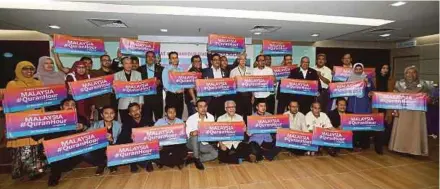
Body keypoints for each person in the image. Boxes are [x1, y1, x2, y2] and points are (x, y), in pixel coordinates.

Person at [6, 61, 46, 180]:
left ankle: (36, 170)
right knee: (23, 147)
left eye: (31, 69)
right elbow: (10, 103)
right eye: (25, 69)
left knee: (35, 145)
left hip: (36, 118)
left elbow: (43, 100)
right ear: (19, 70)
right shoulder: (12, 85)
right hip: (21, 121)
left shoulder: (38, 82)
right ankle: (22, 171)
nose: (29, 72)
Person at [45, 97, 88, 186]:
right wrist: (46, 149)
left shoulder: (80, 118)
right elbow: (44, 137)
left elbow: (90, 128)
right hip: (60, 155)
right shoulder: (53, 120)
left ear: (75, 108)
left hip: (76, 153)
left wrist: (83, 127)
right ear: (61, 107)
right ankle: (54, 177)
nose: (70, 107)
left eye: (73, 105)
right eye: (67, 105)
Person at [389, 66, 430, 156]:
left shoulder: (423, 85)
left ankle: (414, 150)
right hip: (403, 111)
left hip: (417, 113)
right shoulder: (399, 84)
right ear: (405, 74)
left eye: (413, 72)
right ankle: (400, 149)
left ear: (417, 74)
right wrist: (394, 110)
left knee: (415, 130)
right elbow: (394, 98)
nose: (410, 75)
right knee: (402, 130)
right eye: (408, 72)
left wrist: (427, 98)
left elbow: (429, 98)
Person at [346, 63, 376, 152]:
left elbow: (372, 91)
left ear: (362, 70)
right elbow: (344, 89)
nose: (358, 70)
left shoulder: (367, 78)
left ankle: (364, 144)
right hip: (353, 104)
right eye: (356, 69)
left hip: (364, 104)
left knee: (364, 124)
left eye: (360, 69)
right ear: (354, 70)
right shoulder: (350, 78)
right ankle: (354, 144)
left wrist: (368, 84)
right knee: (354, 125)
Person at [118, 103, 154, 172]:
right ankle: (133, 163)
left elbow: (156, 132)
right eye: (132, 111)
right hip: (134, 147)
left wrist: (149, 130)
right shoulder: (126, 123)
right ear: (130, 114)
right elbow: (122, 137)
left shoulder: (148, 119)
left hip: (145, 146)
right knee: (127, 140)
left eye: (137, 110)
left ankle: (148, 161)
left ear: (140, 110)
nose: (135, 112)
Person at [87, 106, 122, 174]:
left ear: (114, 115)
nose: (109, 115)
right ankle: (101, 164)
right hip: (99, 150)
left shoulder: (119, 125)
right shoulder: (96, 125)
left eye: (112, 113)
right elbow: (86, 135)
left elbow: (121, 140)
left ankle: (111, 163)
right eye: (106, 113)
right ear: (102, 115)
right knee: (85, 153)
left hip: (113, 148)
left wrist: (112, 140)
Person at [185, 99, 219, 170]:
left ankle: (193, 159)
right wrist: (193, 133)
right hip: (191, 143)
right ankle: (197, 158)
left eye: (205, 106)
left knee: (215, 154)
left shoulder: (211, 117)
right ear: (196, 108)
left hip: (204, 143)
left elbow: (212, 133)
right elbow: (187, 134)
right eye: (200, 107)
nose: (203, 109)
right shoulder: (191, 118)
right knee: (195, 135)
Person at [154, 105, 188, 169]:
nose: (173, 114)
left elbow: (185, 137)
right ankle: (177, 161)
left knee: (183, 151)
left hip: (177, 145)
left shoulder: (180, 122)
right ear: (166, 113)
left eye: (174, 112)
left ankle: (167, 162)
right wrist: (158, 144)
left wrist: (185, 134)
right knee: (155, 154)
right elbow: (153, 135)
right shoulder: (159, 122)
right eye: (170, 112)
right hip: (164, 146)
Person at [114, 57, 144, 123]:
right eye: (126, 63)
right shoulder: (117, 75)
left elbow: (141, 90)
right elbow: (116, 90)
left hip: (136, 104)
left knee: (136, 124)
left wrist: (141, 103)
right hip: (123, 104)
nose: (129, 65)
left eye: (130, 63)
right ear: (122, 64)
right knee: (125, 124)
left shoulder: (138, 74)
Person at [202, 53, 230, 118]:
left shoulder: (225, 71)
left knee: (220, 119)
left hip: (221, 99)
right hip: (210, 99)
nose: (217, 61)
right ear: (211, 61)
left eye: (218, 60)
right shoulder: (205, 71)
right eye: (215, 60)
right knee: (209, 119)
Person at [89, 55, 116, 121]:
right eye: (104, 60)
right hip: (101, 103)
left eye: (108, 60)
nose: (107, 62)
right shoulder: (94, 73)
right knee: (102, 124)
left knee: (114, 122)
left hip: (114, 101)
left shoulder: (115, 73)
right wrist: (97, 104)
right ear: (101, 62)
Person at [140, 51, 164, 123]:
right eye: (148, 56)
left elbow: (166, 83)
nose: (150, 58)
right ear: (145, 58)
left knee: (159, 120)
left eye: (152, 56)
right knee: (146, 121)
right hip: (145, 99)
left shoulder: (161, 69)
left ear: (154, 58)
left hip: (157, 99)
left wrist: (160, 82)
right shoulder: (140, 69)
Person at [374, 64, 395, 143]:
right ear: (380, 69)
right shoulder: (374, 79)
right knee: (377, 122)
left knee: (387, 122)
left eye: (387, 68)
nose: (385, 70)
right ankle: (378, 141)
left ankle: (386, 141)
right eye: (383, 68)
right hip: (376, 104)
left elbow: (394, 91)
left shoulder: (391, 80)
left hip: (387, 104)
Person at [230, 54, 253, 121]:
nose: (243, 61)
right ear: (238, 60)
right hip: (238, 96)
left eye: (244, 59)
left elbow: (253, 84)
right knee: (238, 115)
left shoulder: (250, 70)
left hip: (248, 95)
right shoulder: (233, 71)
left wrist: (253, 96)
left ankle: (247, 131)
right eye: (241, 59)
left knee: (248, 115)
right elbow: (231, 86)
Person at [162, 51, 185, 119]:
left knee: (179, 116)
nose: (175, 59)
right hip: (171, 96)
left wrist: (184, 88)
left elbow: (183, 82)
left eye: (176, 57)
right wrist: (175, 90)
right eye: (173, 58)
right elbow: (165, 85)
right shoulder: (166, 70)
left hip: (180, 96)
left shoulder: (181, 69)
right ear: (169, 60)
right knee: (171, 117)